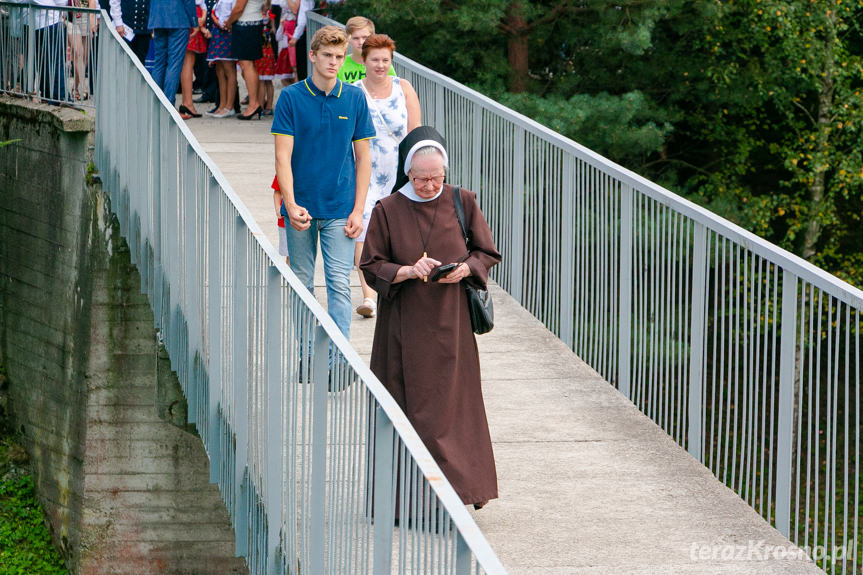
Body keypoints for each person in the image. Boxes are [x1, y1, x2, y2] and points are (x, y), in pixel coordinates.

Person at [359, 126, 500, 510]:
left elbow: (486, 251)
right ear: (408, 174)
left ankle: (460, 492)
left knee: (455, 409)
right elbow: (371, 265)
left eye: (435, 178)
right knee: (407, 411)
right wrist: (406, 270)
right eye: (420, 179)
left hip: (451, 323)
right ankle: (408, 501)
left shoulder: (462, 200)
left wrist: (467, 269)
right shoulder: (388, 209)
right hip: (403, 328)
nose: (427, 186)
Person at [272, 25, 374, 342]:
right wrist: (289, 204)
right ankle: (306, 357)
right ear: (312, 56)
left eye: (339, 56)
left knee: (339, 283)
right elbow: (282, 158)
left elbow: (364, 159)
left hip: (341, 208)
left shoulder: (355, 98)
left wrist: (359, 210)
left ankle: (339, 359)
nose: (333, 62)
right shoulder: (290, 97)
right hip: (300, 207)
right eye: (327, 55)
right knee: (301, 283)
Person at [352, 33, 421, 318]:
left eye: (385, 60)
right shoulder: (354, 91)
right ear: (364, 60)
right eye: (375, 60)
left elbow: (415, 132)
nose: (380, 65)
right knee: (362, 232)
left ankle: (398, 286)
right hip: (365, 168)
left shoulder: (403, 88)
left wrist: (416, 171)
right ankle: (369, 294)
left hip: (398, 169)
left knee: (399, 230)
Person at [223, 0, 267, 119]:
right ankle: (254, 102)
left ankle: (253, 104)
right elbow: (265, 5)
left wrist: (228, 22)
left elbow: (239, 8)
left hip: (245, 25)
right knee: (250, 65)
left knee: (246, 65)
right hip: (254, 22)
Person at [148, 0, 196, 102]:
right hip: (179, 18)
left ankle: (154, 101)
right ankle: (168, 104)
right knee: (174, 64)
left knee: (159, 63)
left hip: (158, 17)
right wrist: (194, 22)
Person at [337, 16, 395, 83]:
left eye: (364, 37)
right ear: (348, 39)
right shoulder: (340, 64)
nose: (361, 42)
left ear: (372, 37)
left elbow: (394, 88)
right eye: (356, 38)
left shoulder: (382, 64)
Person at [178, 0, 209, 118]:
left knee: (187, 63)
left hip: (193, 15)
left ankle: (187, 101)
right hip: (191, 15)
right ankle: (188, 103)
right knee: (187, 63)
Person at [206, 0, 237, 117]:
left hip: (227, 31)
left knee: (229, 70)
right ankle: (222, 104)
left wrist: (226, 23)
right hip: (218, 31)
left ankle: (230, 106)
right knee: (219, 70)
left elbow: (233, 12)